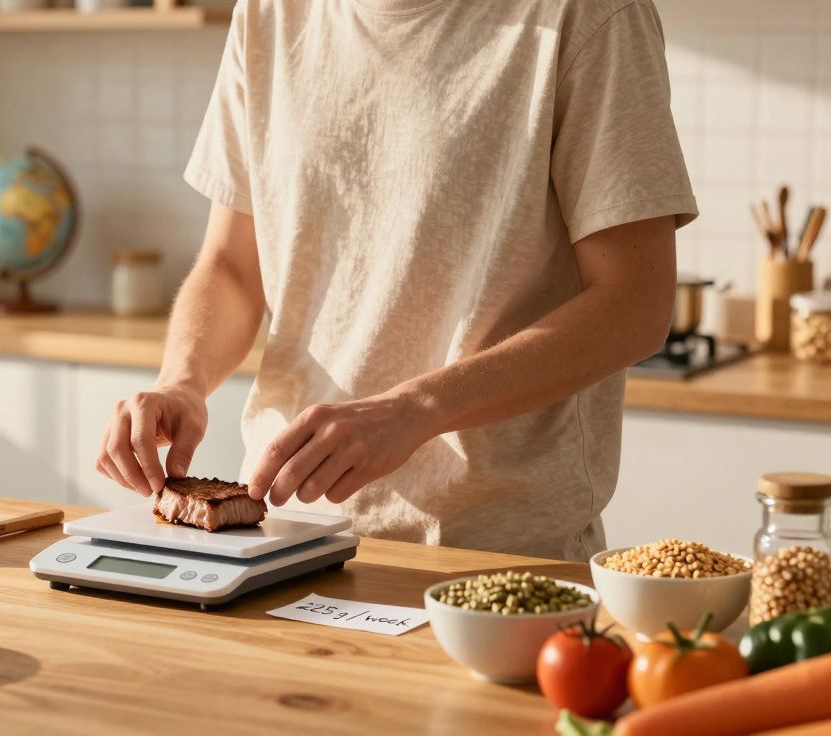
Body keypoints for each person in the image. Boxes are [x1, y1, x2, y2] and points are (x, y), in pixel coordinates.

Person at [96, 0, 696, 561]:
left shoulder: (588, 14)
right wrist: (183, 382)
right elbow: (231, 266)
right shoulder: (271, 12)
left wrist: (415, 409)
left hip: (491, 553)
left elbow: (634, 305)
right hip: (282, 536)